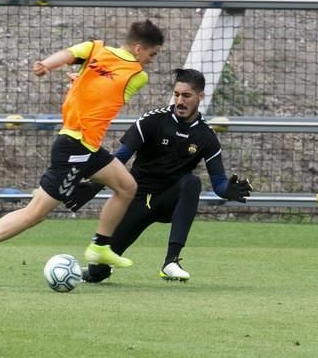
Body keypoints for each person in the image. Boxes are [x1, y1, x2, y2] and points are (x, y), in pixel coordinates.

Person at [0, 19, 165, 283]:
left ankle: (100, 247)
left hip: (87, 146)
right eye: (152, 54)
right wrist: (78, 80)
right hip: (75, 147)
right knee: (35, 214)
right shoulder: (137, 75)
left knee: (126, 187)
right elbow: (106, 91)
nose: (151, 61)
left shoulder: (94, 48)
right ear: (138, 49)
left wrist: (48, 65)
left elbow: (69, 56)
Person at [76, 68, 253, 283]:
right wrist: (95, 185)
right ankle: (90, 272)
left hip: (170, 199)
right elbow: (120, 157)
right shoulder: (153, 121)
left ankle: (171, 261)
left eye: (186, 95)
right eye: (177, 94)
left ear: (200, 96)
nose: (180, 100)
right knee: (97, 273)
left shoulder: (206, 136)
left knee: (191, 183)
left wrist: (228, 190)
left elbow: (218, 182)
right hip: (138, 198)